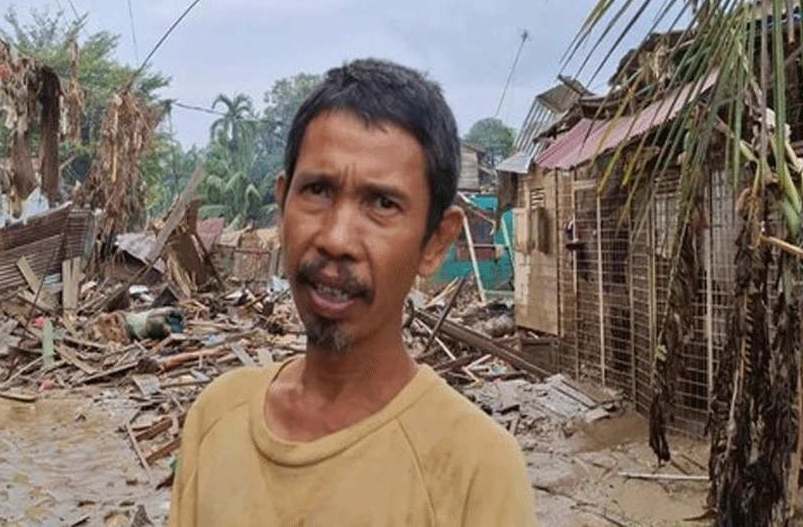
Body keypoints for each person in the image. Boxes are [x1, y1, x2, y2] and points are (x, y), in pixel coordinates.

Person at [167, 59, 535, 526]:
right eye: (318, 190)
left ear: (436, 242)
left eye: (382, 203)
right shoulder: (215, 420)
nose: (336, 238)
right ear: (281, 207)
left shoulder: (474, 469)